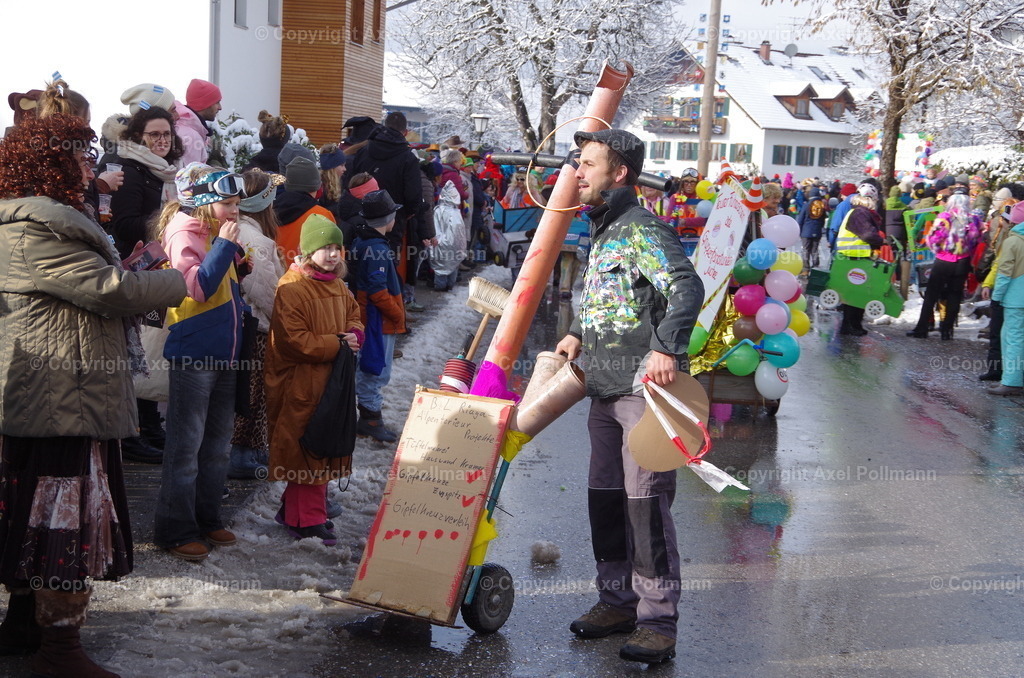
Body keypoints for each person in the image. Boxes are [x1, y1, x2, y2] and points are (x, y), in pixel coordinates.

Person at [0, 113, 186, 677]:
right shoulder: (38, 229)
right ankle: (59, 651)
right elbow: (110, 291)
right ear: (49, 164)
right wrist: (176, 277)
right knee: (60, 522)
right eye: (80, 156)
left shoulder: (45, 223)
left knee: (35, 516)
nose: (91, 167)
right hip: (62, 397)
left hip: (57, 394)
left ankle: (24, 628)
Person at [554, 129, 703, 665]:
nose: (578, 172)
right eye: (578, 162)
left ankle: (657, 621)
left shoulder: (643, 228)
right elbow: (608, 298)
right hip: (602, 386)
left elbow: (687, 288)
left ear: (618, 173)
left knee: (645, 507)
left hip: (645, 390)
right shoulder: (601, 228)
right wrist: (577, 332)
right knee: (606, 500)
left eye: (588, 164)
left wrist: (666, 346)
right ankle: (616, 602)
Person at [152, 163, 248, 562]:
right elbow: (197, 288)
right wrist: (224, 247)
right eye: (228, 203)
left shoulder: (213, 230)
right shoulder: (184, 231)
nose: (236, 210)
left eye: (237, 202)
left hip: (225, 351)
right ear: (205, 203)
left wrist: (237, 261)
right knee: (186, 445)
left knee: (217, 446)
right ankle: (175, 529)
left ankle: (207, 517)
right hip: (194, 353)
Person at [264, 215, 364, 543]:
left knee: (322, 444)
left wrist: (354, 334)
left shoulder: (336, 284)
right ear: (308, 251)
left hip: (331, 381)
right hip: (300, 384)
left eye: (337, 247)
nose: (334, 254)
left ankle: (298, 511)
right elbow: (294, 341)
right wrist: (338, 343)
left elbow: (353, 315)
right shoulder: (292, 287)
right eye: (326, 248)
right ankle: (306, 519)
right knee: (308, 449)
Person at [228, 169, 286, 479]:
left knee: (248, 391)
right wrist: (286, 319)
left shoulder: (239, 229)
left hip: (242, 323)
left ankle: (249, 450)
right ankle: (242, 455)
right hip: (257, 326)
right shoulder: (256, 239)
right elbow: (267, 291)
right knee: (252, 393)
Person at [352, 190, 407, 443]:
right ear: (388, 219)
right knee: (375, 370)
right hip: (377, 320)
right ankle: (370, 421)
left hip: (369, 316)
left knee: (369, 367)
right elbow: (377, 290)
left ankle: (368, 418)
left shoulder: (362, 241)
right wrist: (397, 315)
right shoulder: (377, 248)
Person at [907, 191, 981, 340]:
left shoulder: (944, 217)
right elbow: (976, 241)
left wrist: (938, 250)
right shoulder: (973, 220)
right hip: (963, 261)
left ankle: (922, 328)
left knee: (931, 295)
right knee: (954, 295)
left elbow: (933, 239)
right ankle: (947, 330)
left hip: (944, 260)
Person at [836, 187, 884, 336]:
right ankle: (849, 325)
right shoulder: (860, 213)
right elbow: (868, 234)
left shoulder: (858, 211)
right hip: (854, 256)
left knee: (858, 292)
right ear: (870, 199)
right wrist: (882, 241)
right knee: (855, 293)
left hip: (856, 255)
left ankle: (855, 324)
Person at [274, 156, 338, 267]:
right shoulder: (321, 215)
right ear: (316, 185)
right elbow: (334, 256)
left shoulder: (270, 212)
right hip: (308, 275)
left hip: (276, 274)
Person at [988, 200, 1024, 396]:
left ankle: (1012, 381)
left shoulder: (1012, 242)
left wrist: (996, 297)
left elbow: (1004, 273)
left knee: (1012, 339)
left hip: (1016, 300)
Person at [430, 179, 467, 291]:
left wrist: (437, 240)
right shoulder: (456, 212)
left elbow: (435, 227)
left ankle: (441, 286)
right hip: (455, 245)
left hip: (442, 244)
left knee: (441, 266)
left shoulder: (439, 211)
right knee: (453, 264)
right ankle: (450, 284)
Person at [175, 79, 222, 165]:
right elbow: (190, 173)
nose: (220, 107)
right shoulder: (190, 135)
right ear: (205, 103)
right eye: (217, 102)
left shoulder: (189, 129)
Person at [796, 187, 827, 270]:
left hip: (806, 231)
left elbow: (801, 219)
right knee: (815, 249)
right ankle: (815, 265)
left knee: (806, 249)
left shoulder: (806, 205)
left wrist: (800, 231)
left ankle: (806, 266)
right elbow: (823, 219)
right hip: (817, 230)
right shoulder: (821, 206)